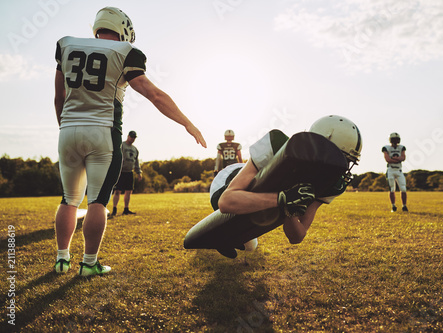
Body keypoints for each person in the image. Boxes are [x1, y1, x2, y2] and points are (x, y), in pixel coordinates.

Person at [54, 7, 206, 276]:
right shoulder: (125, 53)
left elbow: (59, 96)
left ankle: (62, 259)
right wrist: (187, 123)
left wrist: (65, 127)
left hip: (68, 130)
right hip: (103, 132)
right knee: (98, 201)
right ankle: (89, 263)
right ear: (122, 29)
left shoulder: (66, 45)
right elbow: (154, 95)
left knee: (69, 200)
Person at [209, 115, 362, 257]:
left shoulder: (331, 184)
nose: (343, 168)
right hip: (227, 181)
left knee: (250, 245)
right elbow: (226, 201)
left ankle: (233, 237)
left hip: (258, 197)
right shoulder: (278, 146)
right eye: (342, 160)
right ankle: (226, 236)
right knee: (245, 234)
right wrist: (283, 198)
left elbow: (297, 236)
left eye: (348, 162)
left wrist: (291, 210)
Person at [110, 131, 142, 216]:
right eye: (131, 137)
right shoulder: (122, 145)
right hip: (121, 172)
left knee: (129, 191)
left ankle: (126, 209)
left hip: (129, 172)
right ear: (128, 136)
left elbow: (136, 162)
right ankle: (114, 209)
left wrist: (139, 172)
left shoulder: (135, 149)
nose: (132, 139)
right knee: (117, 191)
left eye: (134, 137)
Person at [382, 132, 408, 212]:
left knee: (403, 188)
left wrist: (393, 159)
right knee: (392, 188)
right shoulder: (386, 148)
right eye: (394, 139)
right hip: (390, 170)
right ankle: (393, 206)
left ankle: (404, 206)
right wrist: (398, 159)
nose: (395, 141)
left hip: (399, 170)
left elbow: (403, 158)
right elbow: (388, 160)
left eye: (397, 139)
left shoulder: (401, 147)